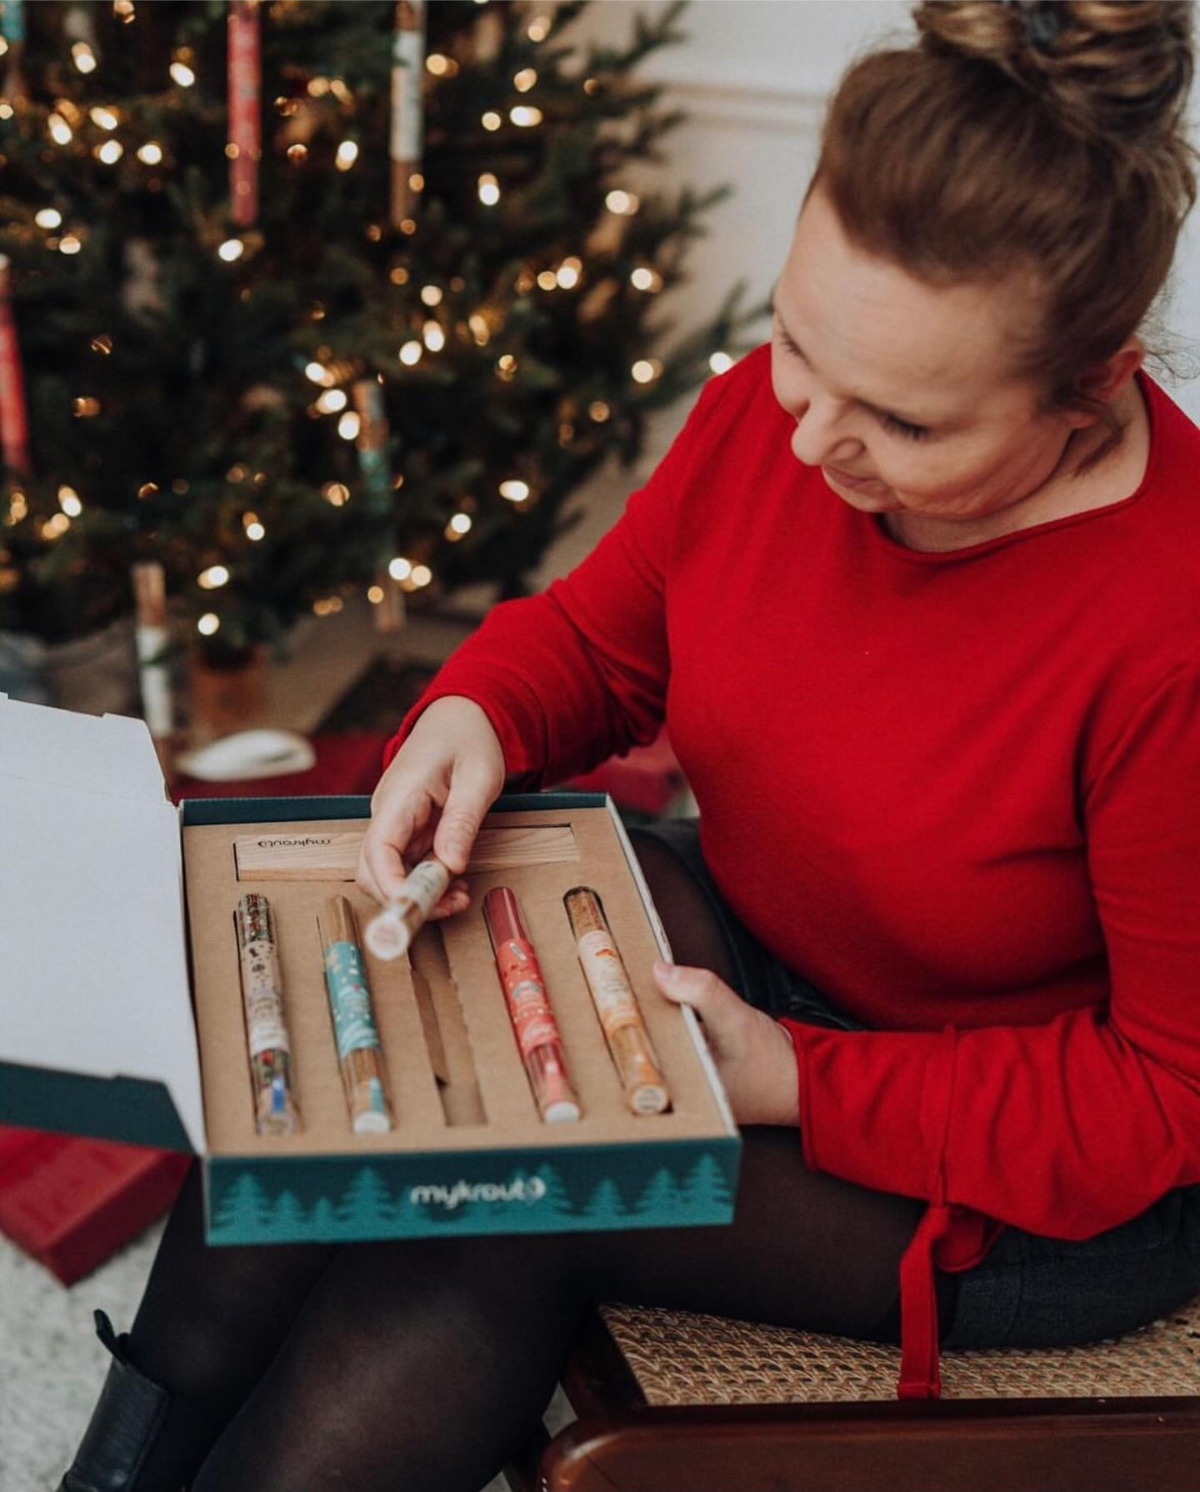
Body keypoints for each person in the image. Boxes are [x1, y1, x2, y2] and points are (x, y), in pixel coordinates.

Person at [60, 1, 1200, 1488]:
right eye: (796, 343)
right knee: (385, 1043)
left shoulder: (1170, 630)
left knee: (507, 1194)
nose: (808, 444)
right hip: (772, 955)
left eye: (906, 426)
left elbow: (1159, 1098)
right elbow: (602, 644)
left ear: (1094, 385)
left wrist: (796, 1077)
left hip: (1028, 1170)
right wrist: (476, 715)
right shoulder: (768, 426)